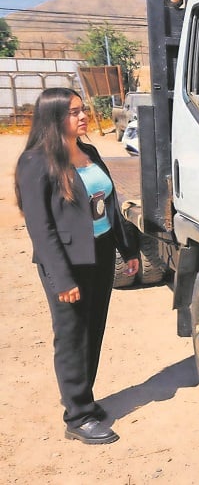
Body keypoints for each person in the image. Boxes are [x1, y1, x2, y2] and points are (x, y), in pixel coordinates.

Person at [15, 88, 140, 444]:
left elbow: (110, 208)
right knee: (71, 336)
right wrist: (61, 277)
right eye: (73, 112)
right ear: (54, 119)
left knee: (93, 329)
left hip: (99, 254)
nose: (83, 116)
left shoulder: (90, 152)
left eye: (82, 109)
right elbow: (41, 229)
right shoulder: (36, 162)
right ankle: (78, 416)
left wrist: (127, 249)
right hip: (67, 261)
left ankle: (82, 396)